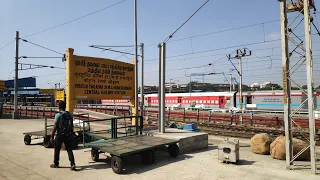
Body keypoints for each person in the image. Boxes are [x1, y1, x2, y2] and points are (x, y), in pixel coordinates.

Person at [50, 101, 76, 170]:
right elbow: (72, 125)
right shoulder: (70, 114)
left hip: (60, 135)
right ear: (65, 106)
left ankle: (56, 163)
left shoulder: (58, 115)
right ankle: (72, 164)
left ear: (59, 107)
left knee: (57, 149)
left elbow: (55, 126)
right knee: (69, 149)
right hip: (68, 134)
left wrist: (52, 136)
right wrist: (71, 133)